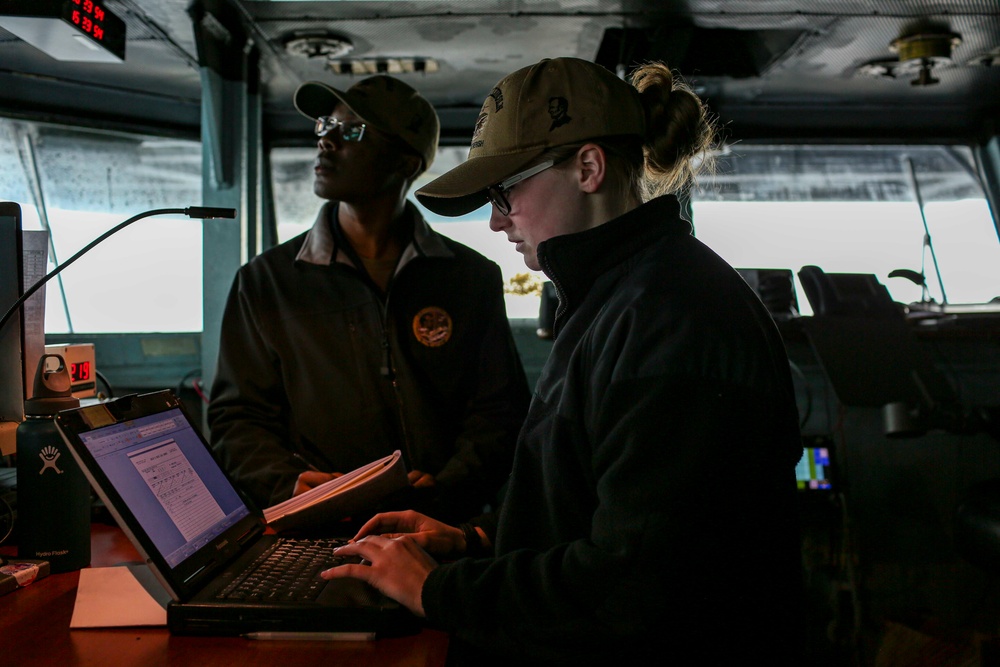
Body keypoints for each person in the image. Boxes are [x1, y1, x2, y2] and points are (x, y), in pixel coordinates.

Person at [321, 57, 805, 665]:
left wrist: (435, 588)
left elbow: (634, 588)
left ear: (588, 167)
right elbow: (588, 504)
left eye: (504, 192)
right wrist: (475, 542)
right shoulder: (616, 296)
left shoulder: (674, 322)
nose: (496, 220)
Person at [208, 74, 531, 526]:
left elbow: (499, 411)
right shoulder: (266, 282)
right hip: (319, 530)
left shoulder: (469, 278)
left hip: (440, 527)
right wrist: (286, 482)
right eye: (325, 127)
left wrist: (449, 486)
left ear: (405, 161)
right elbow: (236, 418)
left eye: (351, 131)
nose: (327, 142)